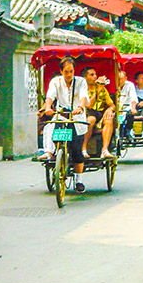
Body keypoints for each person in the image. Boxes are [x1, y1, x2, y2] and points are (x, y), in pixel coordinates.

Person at [37, 56, 89, 193]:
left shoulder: (81, 82)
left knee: (77, 149)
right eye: (66, 72)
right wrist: (48, 108)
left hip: (76, 118)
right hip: (61, 116)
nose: (69, 75)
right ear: (61, 71)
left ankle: (79, 180)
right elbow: (50, 96)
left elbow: (83, 96)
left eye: (71, 71)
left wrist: (80, 107)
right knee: (57, 138)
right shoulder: (56, 82)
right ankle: (58, 157)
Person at [81, 67, 115, 159]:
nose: (95, 77)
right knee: (91, 120)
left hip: (100, 113)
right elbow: (89, 105)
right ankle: (83, 149)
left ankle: (104, 150)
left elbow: (112, 105)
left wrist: (110, 109)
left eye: (95, 74)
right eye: (92, 75)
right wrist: (98, 90)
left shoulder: (103, 89)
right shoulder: (82, 89)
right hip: (87, 114)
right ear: (85, 78)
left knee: (109, 118)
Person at [117, 69, 139, 138]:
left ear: (125, 79)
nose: (118, 81)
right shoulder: (113, 85)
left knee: (130, 115)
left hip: (127, 106)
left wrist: (133, 108)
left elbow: (133, 98)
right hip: (116, 107)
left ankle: (129, 130)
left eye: (120, 79)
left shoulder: (130, 85)